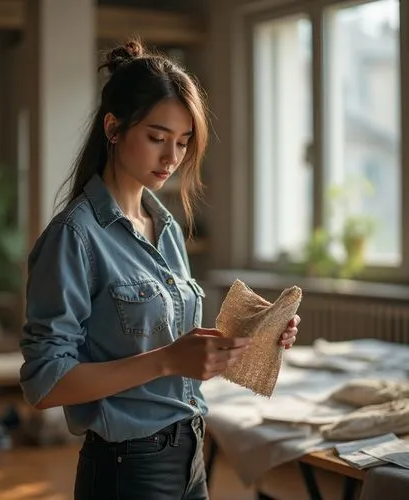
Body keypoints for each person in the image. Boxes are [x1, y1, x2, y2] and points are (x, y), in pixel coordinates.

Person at [20, 41, 300, 500]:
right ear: (113, 127)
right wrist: (168, 360)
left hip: (189, 452)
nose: (172, 157)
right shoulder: (75, 236)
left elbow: (162, 338)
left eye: (183, 142)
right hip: (126, 469)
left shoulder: (164, 226)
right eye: (157, 137)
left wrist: (255, 335)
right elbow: (44, 381)